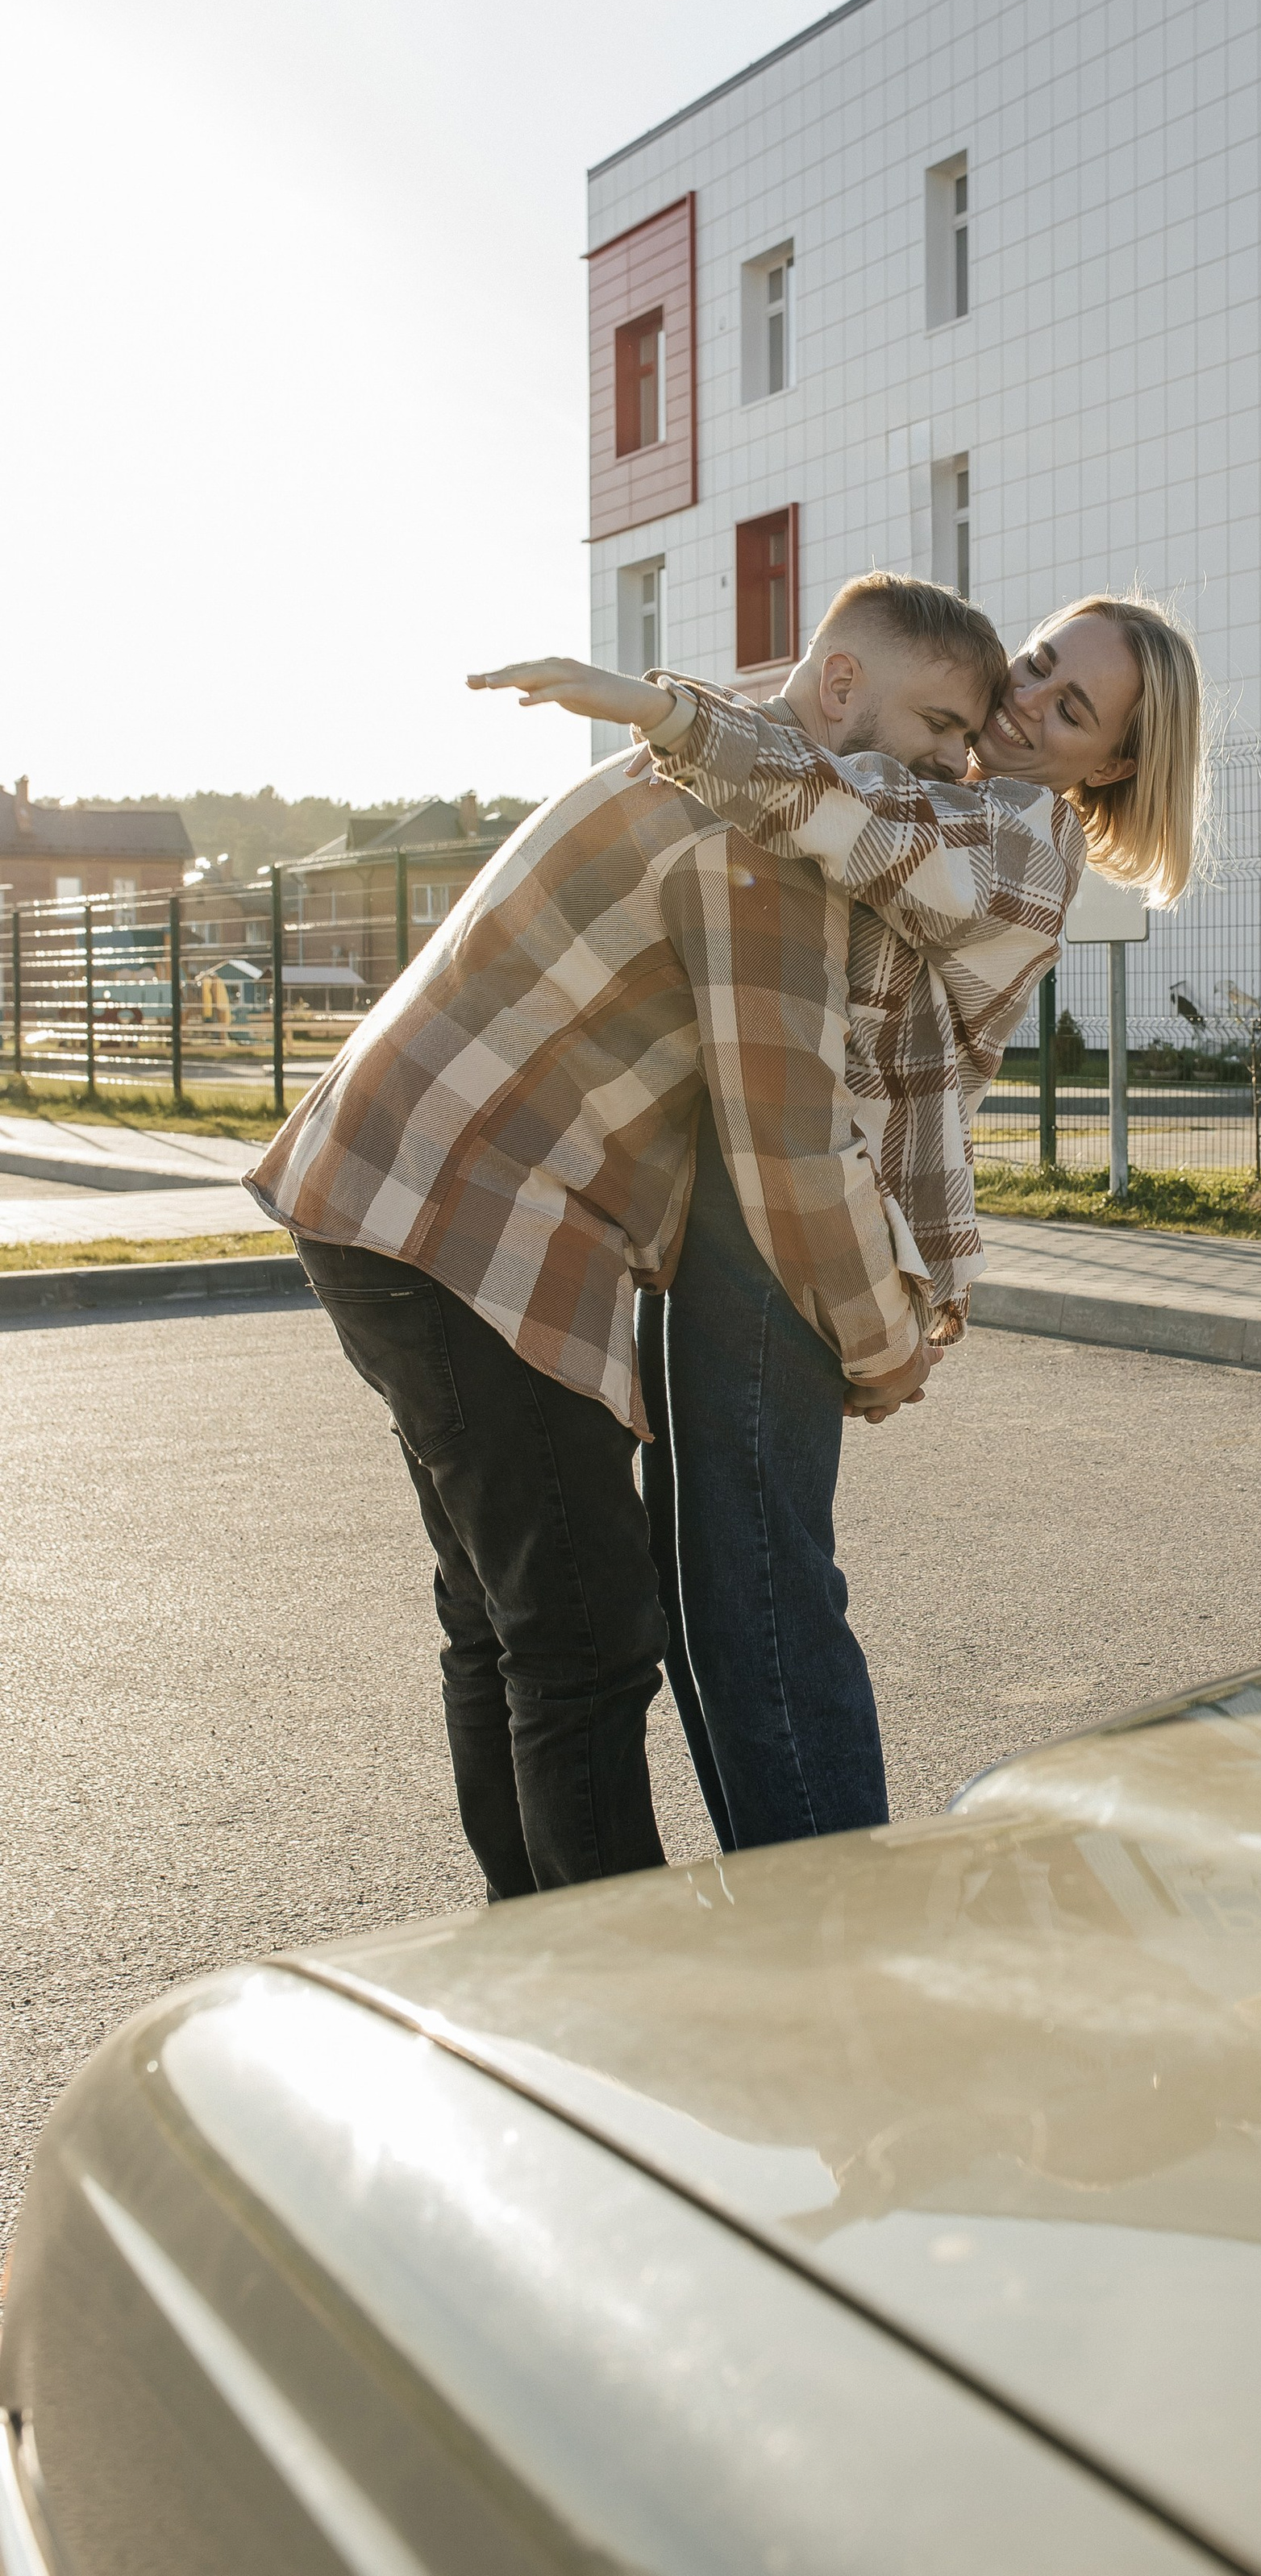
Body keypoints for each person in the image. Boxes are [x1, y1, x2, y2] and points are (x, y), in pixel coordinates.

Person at [247, 574, 1006, 1902]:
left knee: (501, 1624)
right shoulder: (762, 846)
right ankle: (609, 1996)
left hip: (383, 1190)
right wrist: (888, 1344)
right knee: (585, 1641)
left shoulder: (702, 767)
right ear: (840, 687)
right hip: (466, 1223)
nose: (954, 763)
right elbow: (790, 1148)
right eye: (939, 722)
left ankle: (528, 1951)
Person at [472, 591, 1205, 1854]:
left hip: (808, 1209)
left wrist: (661, 712)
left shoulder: (1024, 838)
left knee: (757, 1583)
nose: (1027, 704)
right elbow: (820, 750)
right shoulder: (938, 775)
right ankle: (791, 1889)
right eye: (1034, 668)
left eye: (1071, 707)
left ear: (1117, 764)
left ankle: (833, 1900)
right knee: (715, 1578)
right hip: (742, 1190)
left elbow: (854, 819)